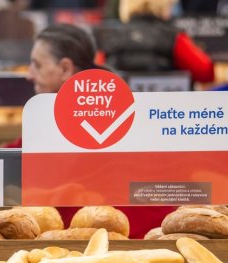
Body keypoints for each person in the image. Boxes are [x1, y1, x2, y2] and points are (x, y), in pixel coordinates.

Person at [17, 23, 176, 238]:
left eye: (37, 65)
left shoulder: (67, 123)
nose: (29, 75)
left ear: (65, 68)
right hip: (152, 239)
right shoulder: (116, 104)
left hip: (124, 243)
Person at [100, 0, 214, 83]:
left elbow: (96, 76)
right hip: (164, 111)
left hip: (123, 109)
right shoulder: (174, 37)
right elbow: (206, 72)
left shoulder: (112, 37)